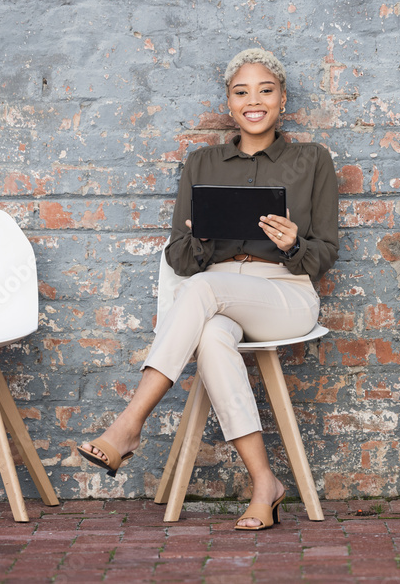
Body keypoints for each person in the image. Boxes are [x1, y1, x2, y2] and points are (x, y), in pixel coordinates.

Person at [78, 48, 339, 530]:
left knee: (199, 291)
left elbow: (324, 255)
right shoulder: (202, 163)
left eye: (265, 90)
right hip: (216, 293)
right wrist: (199, 241)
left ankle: (129, 425)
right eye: (242, 92)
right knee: (214, 338)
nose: (253, 100)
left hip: (284, 294)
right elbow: (178, 255)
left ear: (282, 99)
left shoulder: (311, 160)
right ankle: (266, 484)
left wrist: (293, 243)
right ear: (229, 103)